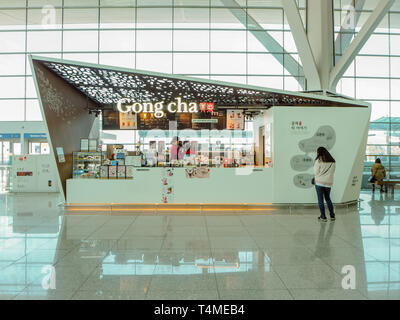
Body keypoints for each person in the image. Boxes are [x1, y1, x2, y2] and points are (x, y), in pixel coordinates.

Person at [314, 147, 336, 222]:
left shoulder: (319, 161)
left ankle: (323, 217)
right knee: (328, 199)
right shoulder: (332, 161)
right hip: (328, 183)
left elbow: (316, 172)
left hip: (319, 183)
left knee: (320, 200)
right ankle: (332, 215)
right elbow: (333, 172)